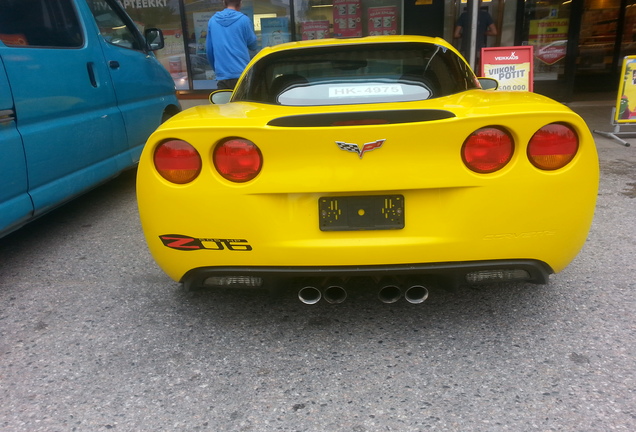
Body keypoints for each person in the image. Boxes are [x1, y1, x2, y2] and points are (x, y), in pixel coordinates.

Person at [206, 0, 257, 90]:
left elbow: (209, 51)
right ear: (240, 3)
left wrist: (218, 70)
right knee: (242, 104)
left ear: (224, 3)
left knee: (224, 104)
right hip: (241, 75)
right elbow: (253, 45)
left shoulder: (212, 21)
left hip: (223, 76)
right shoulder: (244, 20)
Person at [453, 4, 497, 71]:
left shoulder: (463, 15)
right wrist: (483, 32)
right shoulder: (486, 15)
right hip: (480, 49)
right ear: (481, 2)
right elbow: (494, 32)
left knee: (465, 70)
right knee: (478, 70)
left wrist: (464, 34)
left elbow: (456, 34)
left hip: (465, 48)